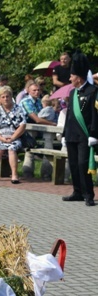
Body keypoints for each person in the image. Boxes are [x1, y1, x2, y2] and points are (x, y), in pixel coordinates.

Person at [61, 52, 97, 206]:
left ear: (79, 78)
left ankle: (88, 194)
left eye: (72, 76)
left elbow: (96, 116)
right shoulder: (72, 92)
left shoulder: (93, 91)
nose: (69, 79)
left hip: (85, 134)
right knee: (74, 164)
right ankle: (77, 192)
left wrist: (94, 134)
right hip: (71, 134)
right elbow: (69, 115)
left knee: (83, 164)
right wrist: (64, 134)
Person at [0, 86, 27, 184]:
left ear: (11, 96)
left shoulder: (18, 109)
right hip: (2, 137)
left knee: (11, 149)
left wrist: (13, 137)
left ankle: (14, 175)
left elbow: (22, 125)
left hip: (15, 137)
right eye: (3, 97)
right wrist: (1, 138)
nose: (5, 99)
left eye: (7, 96)